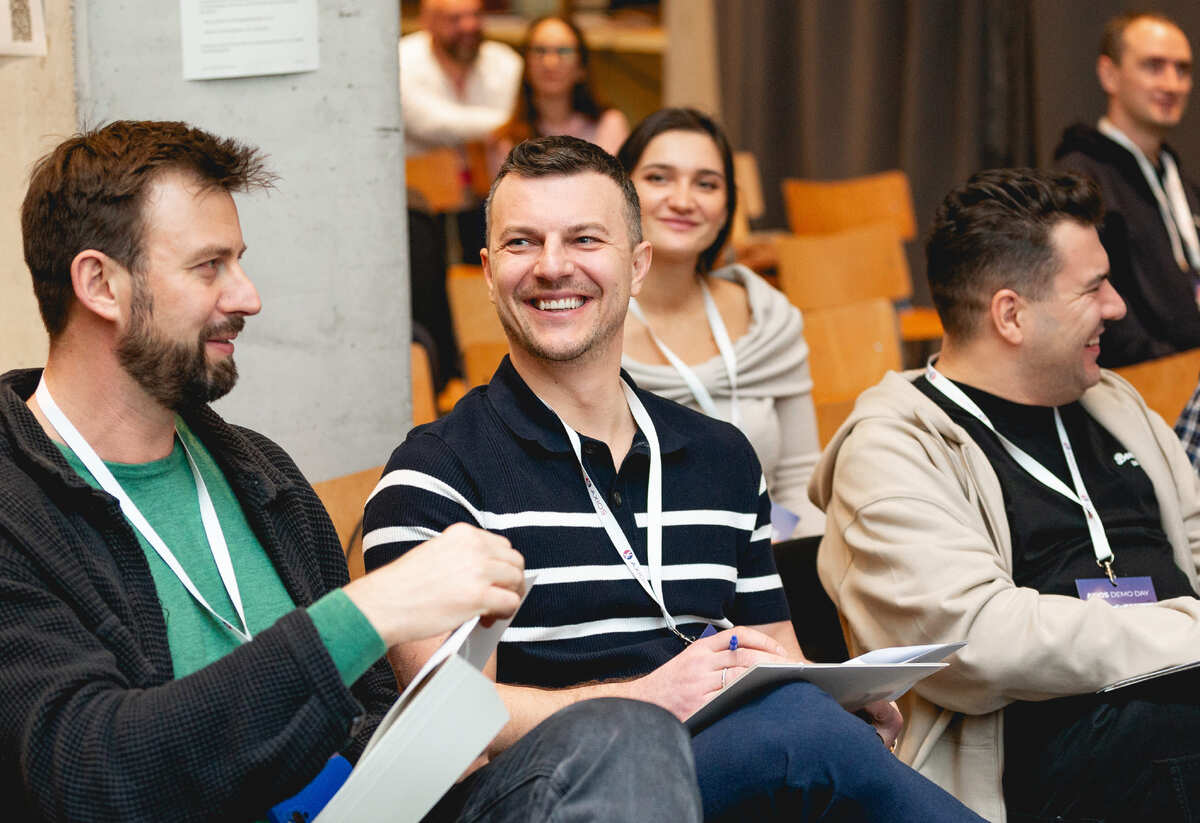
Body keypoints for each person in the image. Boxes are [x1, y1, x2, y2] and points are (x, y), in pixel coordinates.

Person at [1, 120, 704, 822]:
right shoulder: (16, 508)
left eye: (238, 262)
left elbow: (366, 718)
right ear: (99, 283)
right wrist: (373, 609)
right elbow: (92, 770)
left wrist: (425, 738)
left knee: (625, 737)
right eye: (209, 266)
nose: (248, 297)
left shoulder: (255, 473)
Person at [363, 135, 983, 822]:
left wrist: (849, 714)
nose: (552, 266)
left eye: (585, 240)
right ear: (486, 270)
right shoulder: (432, 475)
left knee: (812, 725)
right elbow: (449, 729)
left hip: (728, 771)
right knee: (796, 733)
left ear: (637, 263)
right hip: (548, 793)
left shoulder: (721, 457)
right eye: (521, 243)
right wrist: (653, 696)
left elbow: (778, 654)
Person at [812, 167, 1200, 822]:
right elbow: (981, 641)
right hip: (1029, 764)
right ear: (1011, 314)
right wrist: (1186, 631)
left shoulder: (1113, 402)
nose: (1118, 306)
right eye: (1093, 287)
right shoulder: (891, 447)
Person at [617, 108, 823, 538]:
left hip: (762, 560)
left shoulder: (768, 320)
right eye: (659, 178)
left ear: (728, 203)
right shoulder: (585, 327)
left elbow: (798, 483)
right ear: (620, 189)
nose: (683, 200)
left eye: (706, 184)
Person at [1054, 11, 1200, 368]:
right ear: (1109, 74)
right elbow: (1102, 317)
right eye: (1154, 66)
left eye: (1182, 70)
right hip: (1142, 379)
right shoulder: (1082, 177)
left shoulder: (1177, 177)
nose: (1172, 84)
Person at [400, 0, 523, 388]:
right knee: (428, 285)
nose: (468, 26)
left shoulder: (505, 63)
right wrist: (500, 125)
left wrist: (501, 127)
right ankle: (443, 380)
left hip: (489, 195)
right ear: (428, 22)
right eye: (455, 18)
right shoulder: (402, 59)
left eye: (474, 15)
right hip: (418, 201)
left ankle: (500, 371)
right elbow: (423, 120)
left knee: (496, 277)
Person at [489, 15, 630, 172]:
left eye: (563, 51)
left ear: (581, 66)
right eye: (540, 51)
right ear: (526, 65)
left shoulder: (608, 125)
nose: (550, 62)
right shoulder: (506, 140)